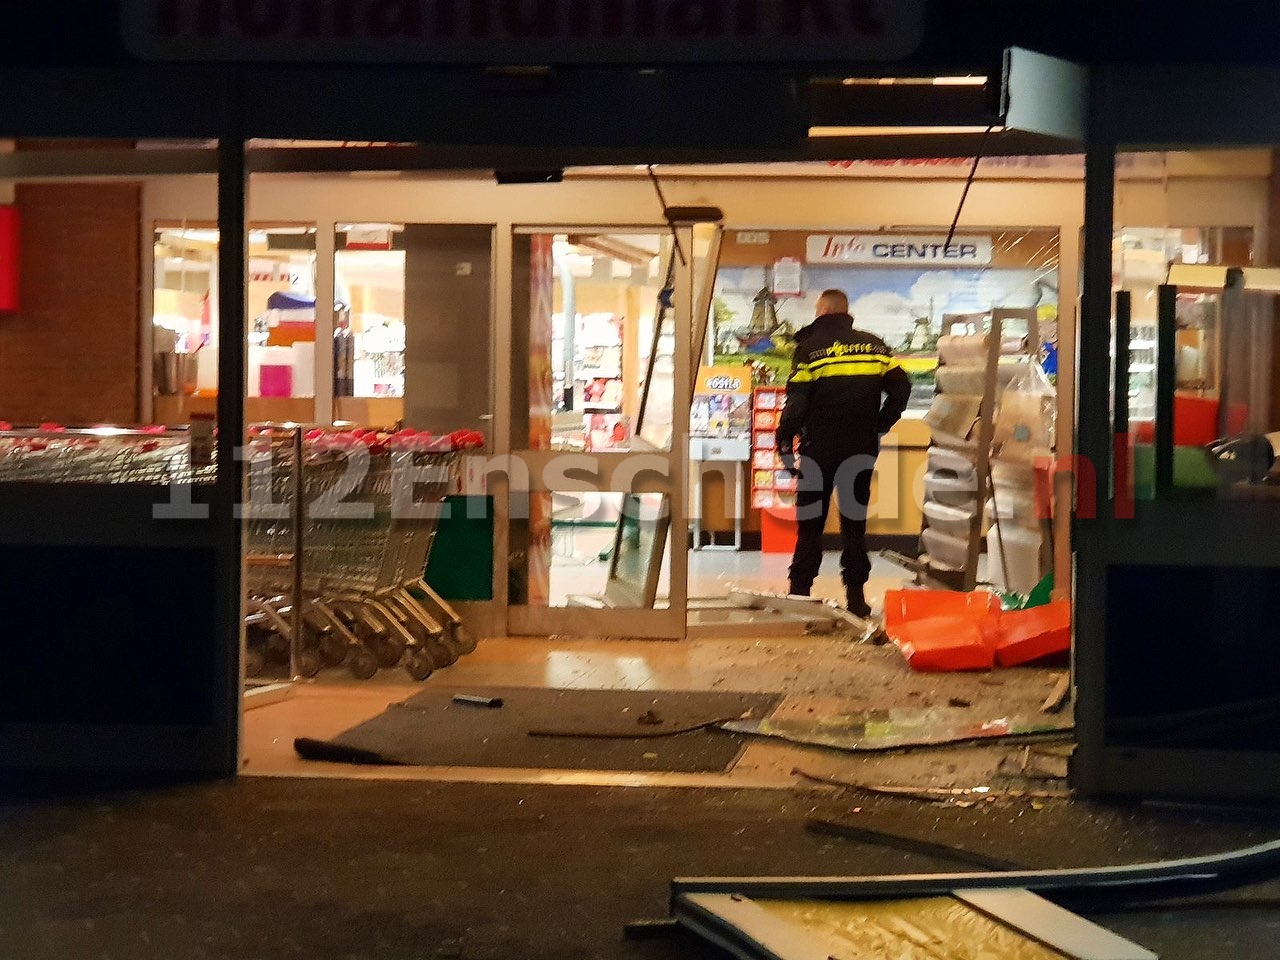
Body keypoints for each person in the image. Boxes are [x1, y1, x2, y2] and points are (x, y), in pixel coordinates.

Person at [776, 289, 911, 617]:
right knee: (854, 524)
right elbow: (902, 388)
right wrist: (880, 424)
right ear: (846, 311)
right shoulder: (875, 346)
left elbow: (797, 403)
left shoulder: (809, 349)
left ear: (820, 311)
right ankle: (856, 597)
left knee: (810, 523)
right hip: (859, 448)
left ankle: (799, 593)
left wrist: (784, 442)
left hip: (817, 449)